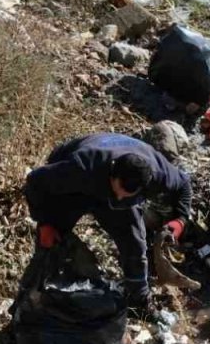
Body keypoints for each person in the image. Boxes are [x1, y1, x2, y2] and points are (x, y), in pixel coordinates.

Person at [23, 132, 192, 310]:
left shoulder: (158, 173)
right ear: (113, 173)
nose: (119, 197)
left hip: (115, 194)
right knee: (51, 239)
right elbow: (35, 181)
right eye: (119, 190)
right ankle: (34, 297)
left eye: (128, 194)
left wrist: (180, 220)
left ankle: (139, 300)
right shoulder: (81, 167)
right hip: (79, 187)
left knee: (134, 242)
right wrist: (45, 222)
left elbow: (184, 185)